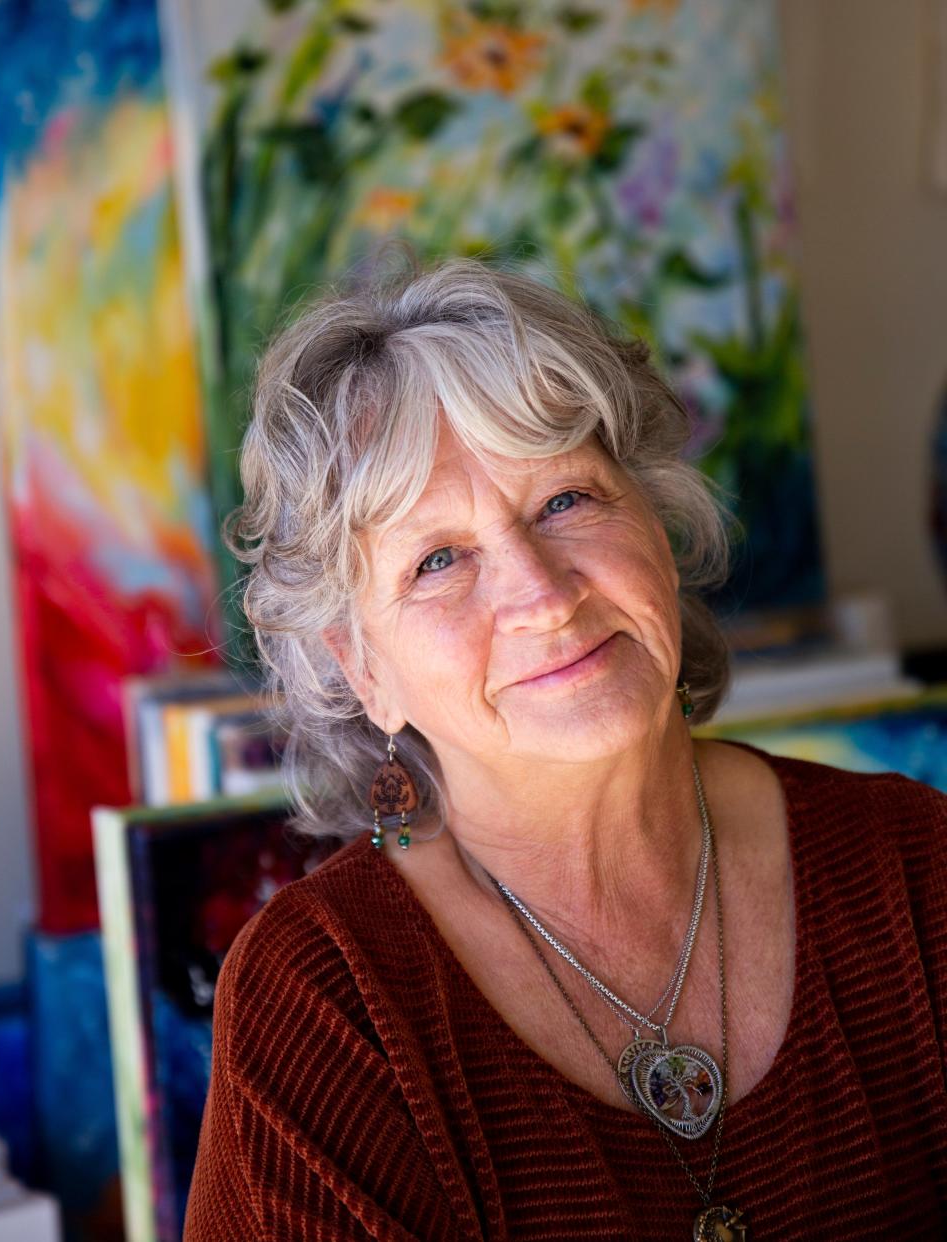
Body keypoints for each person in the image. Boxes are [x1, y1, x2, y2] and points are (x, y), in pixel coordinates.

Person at [182, 256, 947, 1241]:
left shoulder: (918, 873)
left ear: (658, 522)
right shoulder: (326, 1007)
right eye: (440, 561)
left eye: (566, 502)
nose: (543, 595)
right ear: (359, 668)